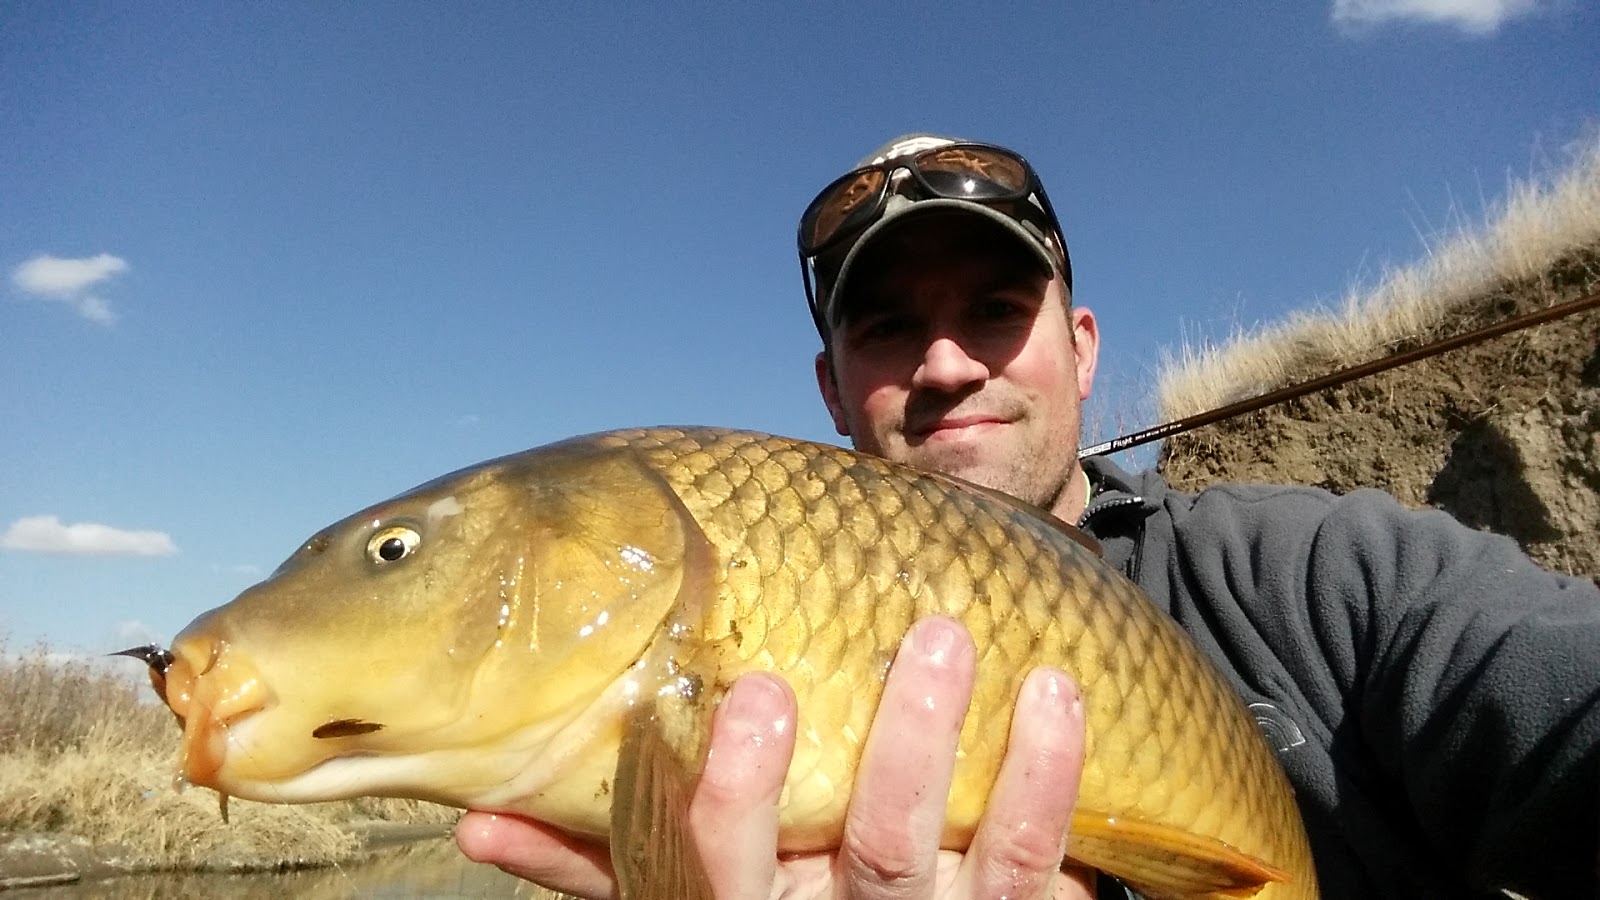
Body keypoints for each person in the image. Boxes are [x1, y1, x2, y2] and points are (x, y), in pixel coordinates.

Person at [458, 134, 1600, 898]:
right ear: (830, 389)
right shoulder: (718, 678)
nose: (947, 365)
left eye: (998, 310)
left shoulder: (1319, 577)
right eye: (889, 329)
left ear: (1082, 347)